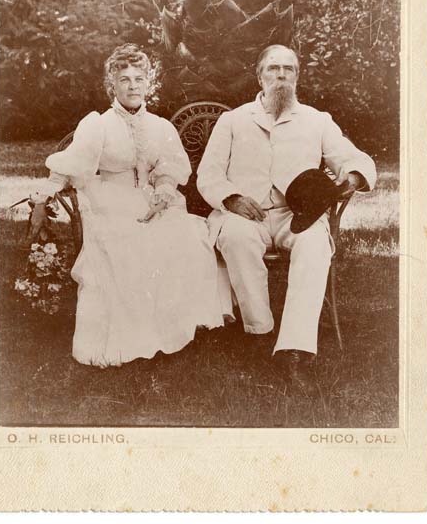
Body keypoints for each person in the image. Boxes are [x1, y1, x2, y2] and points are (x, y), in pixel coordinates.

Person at [196, 44, 376, 390]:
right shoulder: (233, 120)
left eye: (288, 69)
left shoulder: (317, 120)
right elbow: (208, 175)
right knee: (236, 238)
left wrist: (350, 177)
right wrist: (231, 198)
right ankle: (260, 332)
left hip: (299, 215)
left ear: (297, 77)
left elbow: (358, 160)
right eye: (273, 69)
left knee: (314, 246)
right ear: (259, 76)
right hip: (245, 213)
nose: (280, 75)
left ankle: (294, 351)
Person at [38, 43, 226, 367]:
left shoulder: (161, 127)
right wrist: (44, 196)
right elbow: (71, 164)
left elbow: (170, 170)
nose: (133, 85)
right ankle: (137, 337)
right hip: (109, 197)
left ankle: (173, 327)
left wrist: (163, 193)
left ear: (148, 83)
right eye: (124, 79)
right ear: (112, 84)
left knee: (189, 237)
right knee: (128, 244)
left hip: (152, 199)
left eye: (139, 78)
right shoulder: (98, 125)